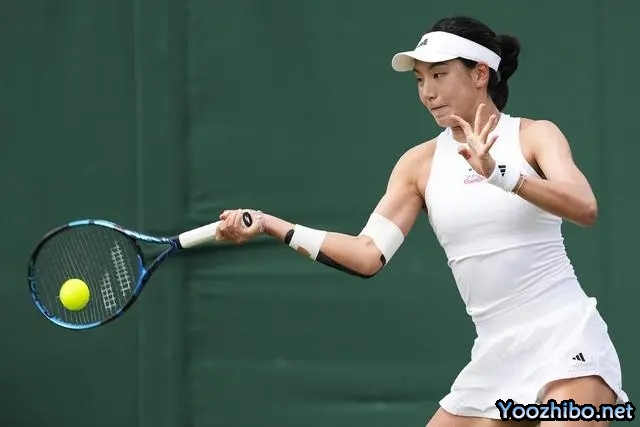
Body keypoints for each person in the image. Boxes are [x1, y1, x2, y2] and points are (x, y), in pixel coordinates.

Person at [216, 15, 630, 427]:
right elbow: (366, 254)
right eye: (419, 80)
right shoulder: (418, 165)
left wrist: (500, 174)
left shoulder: (534, 136)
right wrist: (271, 224)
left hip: (566, 341)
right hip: (496, 356)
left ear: (480, 74)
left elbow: (584, 206)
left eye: (439, 75)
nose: (428, 92)